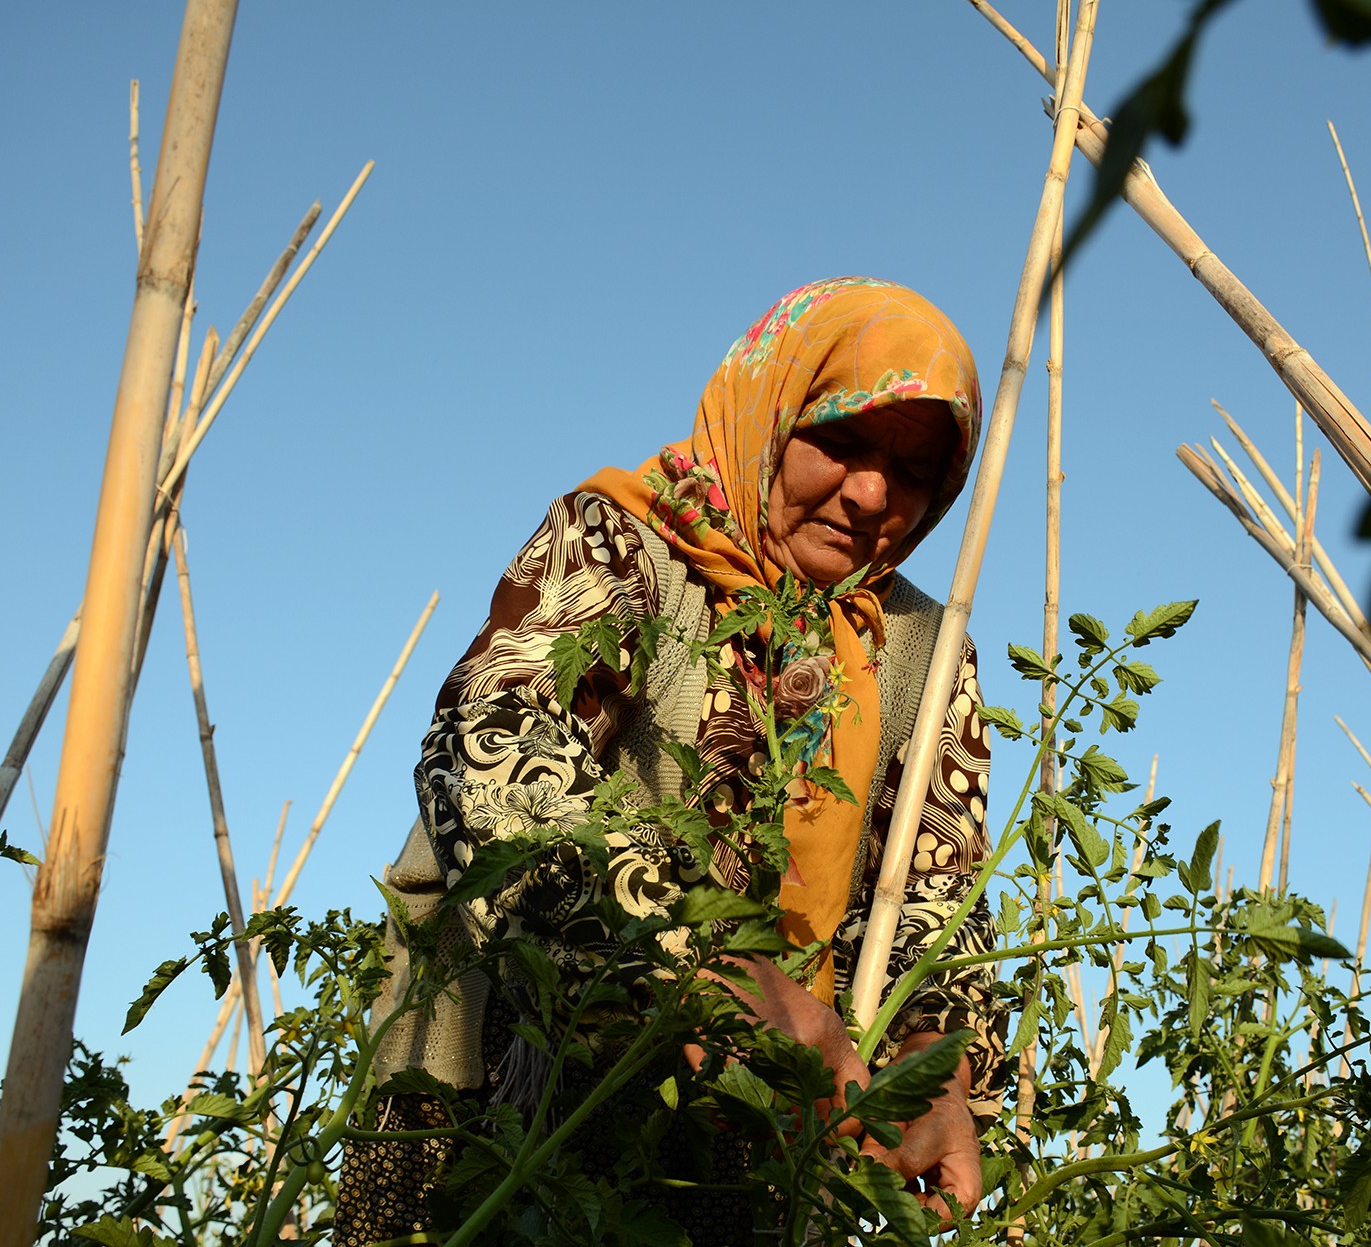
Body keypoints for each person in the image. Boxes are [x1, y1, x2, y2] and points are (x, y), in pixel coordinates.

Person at [336, 277, 1005, 1245]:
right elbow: (490, 744)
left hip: (749, 1125)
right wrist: (703, 968)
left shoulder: (924, 653)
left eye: (912, 470)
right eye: (843, 439)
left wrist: (932, 1073)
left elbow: (938, 897)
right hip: (512, 1083)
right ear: (772, 413)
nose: (871, 492)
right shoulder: (629, 542)